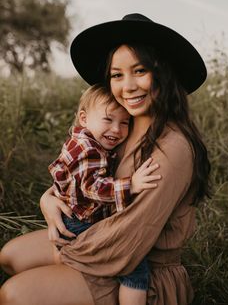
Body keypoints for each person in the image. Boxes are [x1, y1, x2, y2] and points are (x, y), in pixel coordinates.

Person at [0, 13, 211, 305]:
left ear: (163, 73)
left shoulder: (172, 147)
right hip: (100, 231)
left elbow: (132, 234)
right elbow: (84, 172)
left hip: (138, 267)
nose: (128, 86)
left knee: (14, 294)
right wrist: (48, 199)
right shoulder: (123, 125)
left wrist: (69, 254)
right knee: (10, 256)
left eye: (140, 71)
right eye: (117, 75)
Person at [49, 83, 160, 305]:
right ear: (84, 118)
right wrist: (132, 185)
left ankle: (66, 265)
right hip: (80, 222)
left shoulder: (80, 141)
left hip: (73, 217)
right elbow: (93, 188)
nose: (116, 130)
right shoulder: (90, 150)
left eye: (124, 123)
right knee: (134, 265)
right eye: (108, 120)